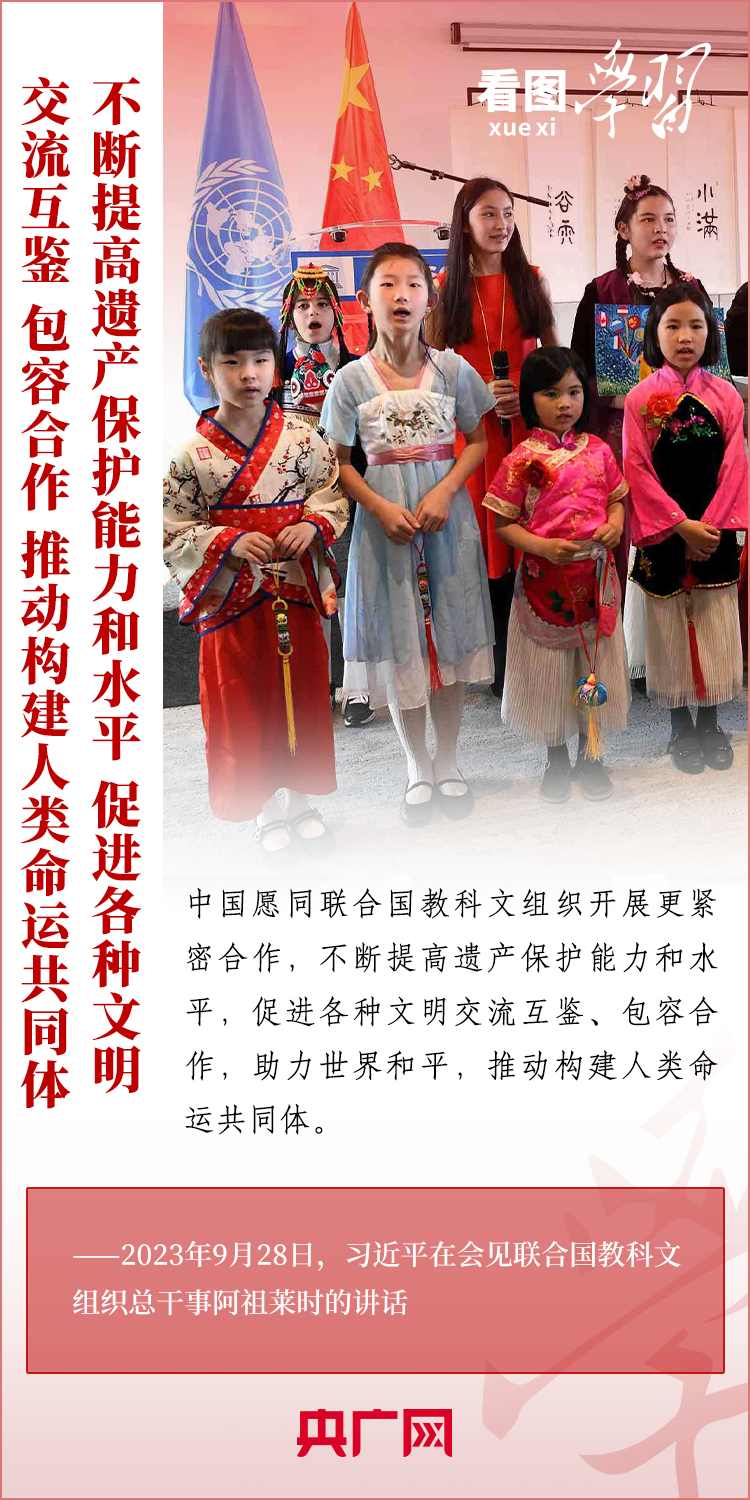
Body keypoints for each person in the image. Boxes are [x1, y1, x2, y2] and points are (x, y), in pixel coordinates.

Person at [321, 242, 496, 825]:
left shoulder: (454, 370)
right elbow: (338, 464)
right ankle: (416, 765)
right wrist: (377, 507)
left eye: (413, 285)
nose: (402, 296)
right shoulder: (349, 380)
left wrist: (446, 492)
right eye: (388, 285)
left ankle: (448, 760)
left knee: (450, 637)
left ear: (430, 298)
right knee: (402, 643)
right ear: (365, 300)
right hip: (386, 526)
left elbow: (477, 442)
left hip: (447, 522)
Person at [163, 309, 348, 853]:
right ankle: (264, 809)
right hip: (231, 596)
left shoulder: (303, 438)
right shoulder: (189, 457)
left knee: (303, 692)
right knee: (242, 701)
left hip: (295, 585)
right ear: (206, 369)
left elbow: (331, 493)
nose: (248, 374)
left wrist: (312, 524)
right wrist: (225, 540)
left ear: (275, 367)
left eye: (260, 360)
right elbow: (171, 528)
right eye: (232, 362)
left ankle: (302, 800)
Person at [428, 177, 557, 696]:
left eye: (507, 213)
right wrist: (479, 390)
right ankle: (500, 663)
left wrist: (526, 393)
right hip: (474, 435)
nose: (501, 224)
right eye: (488, 214)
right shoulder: (443, 287)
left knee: (535, 538)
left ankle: (543, 654)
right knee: (486, 549)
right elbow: (431, 370)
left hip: (528, 428)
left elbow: (554, 360)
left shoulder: (532, 278)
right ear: (464, 223)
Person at [483, 347, 630, 803]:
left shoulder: (600, 450)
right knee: (550, 673)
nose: (565, 403)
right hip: (544, 583)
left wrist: (615, 524)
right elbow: (503, 524)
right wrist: (544, 547)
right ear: (530, 398)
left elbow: (616, 499)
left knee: (592, 667)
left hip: (596, 580)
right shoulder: (519, 460)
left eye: (573, 392)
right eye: (551, 393)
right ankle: (556, 757)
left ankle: (592, 753)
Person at [623, 284, 747, 774]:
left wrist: (709, 527)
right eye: (672, 325)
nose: (685, 336)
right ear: (654, 335)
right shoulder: (640, 399)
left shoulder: (727, 396)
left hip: (714, 530)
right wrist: (680, 526)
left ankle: (712, 720)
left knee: (715, 620)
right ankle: (679, 723)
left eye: (696, 325)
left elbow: (736, 465)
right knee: (669, 625)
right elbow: (636, 469)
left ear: (710, 334)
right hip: (665, 532)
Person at [571, 172, 708, 601]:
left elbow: (711, 361)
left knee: (683, 522)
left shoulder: (691, 288)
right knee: (627, 529)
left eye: (668, 219)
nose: (660, 229)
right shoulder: (601, 290)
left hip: (683, 429)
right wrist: (618, 397)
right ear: (624, 229)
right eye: (648, 219)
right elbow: (579, 371)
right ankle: (624, 625)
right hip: (619, 431)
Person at [277, 263, 374, 727]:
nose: (312, 313)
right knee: (306, 585)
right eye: (302, 305)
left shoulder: (357, 368)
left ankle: (357, 688)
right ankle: (314, 683)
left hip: (348, 489)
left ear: (336, 310)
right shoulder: (275, 371)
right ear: (289, 314)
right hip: (293, 497)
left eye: (320, 304)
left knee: (352, 588)